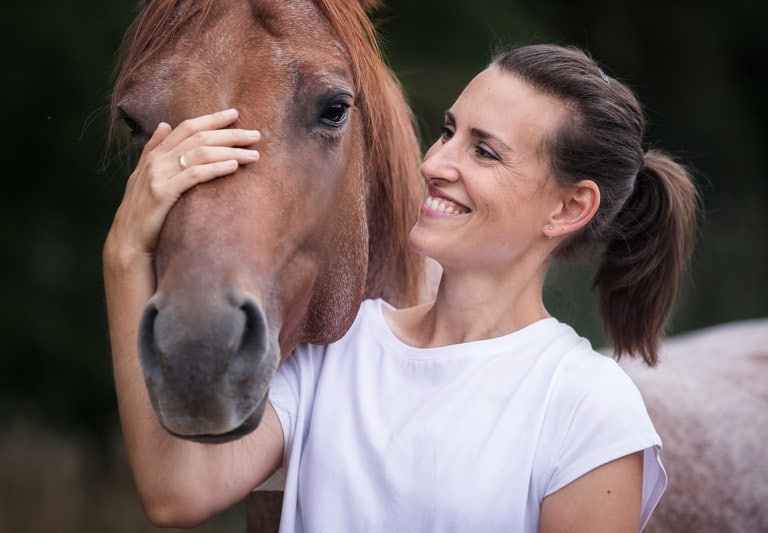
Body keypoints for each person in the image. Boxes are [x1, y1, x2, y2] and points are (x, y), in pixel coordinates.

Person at [104, 44, 698, 531]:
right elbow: (175, 493)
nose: (435, 162)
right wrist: (126, 253)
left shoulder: (589, 406)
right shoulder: (335, 347)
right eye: (448, 131)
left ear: (569, 207)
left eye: (484, 151)